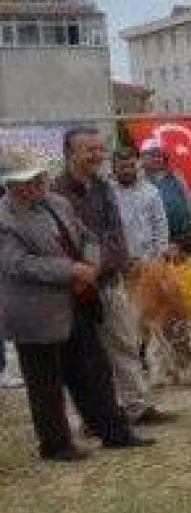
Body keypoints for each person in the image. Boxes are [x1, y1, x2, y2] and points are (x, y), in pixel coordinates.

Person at [0, 147, 153, 461]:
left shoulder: (58, 203)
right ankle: (56, 445)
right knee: (45, 384)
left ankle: (113, 431)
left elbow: (88, 238)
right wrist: (70, 270)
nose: (35, 186)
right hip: (35, 314)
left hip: (78, 302)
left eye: (38, 178)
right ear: (10, 185)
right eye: (26, 181)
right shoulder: (5, 218)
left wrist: (92, 265)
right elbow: (17, 263)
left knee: (94, 370)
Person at [56, 127, 171, 426]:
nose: (97, 155)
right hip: (75, 286)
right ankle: (90, 418)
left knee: (125, 342)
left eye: (99, 149)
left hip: (108, 278)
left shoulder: (104, 188)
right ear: (71, 153)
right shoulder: (57, 193)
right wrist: (82, 270)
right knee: (83, 356)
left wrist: (114, 262)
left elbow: (114, 232)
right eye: (89, 150)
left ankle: (137, 406)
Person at [111, 147, 171, 263]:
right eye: (122, 167)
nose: (127, 171)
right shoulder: (108, 193)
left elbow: (160, 223)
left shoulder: (151, 191)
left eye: (131, 166)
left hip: (150, 259)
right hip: (121, 261)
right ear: (114, 168)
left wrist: (161, 253)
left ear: (137, 166)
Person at [141, 137, 191, 253]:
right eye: (153, 155)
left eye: (160, 155)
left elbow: (190, 203)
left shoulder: (176, 176)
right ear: (143, 158)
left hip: (186, 237)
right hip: (158, 242)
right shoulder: (140, 182)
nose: (157, 159)